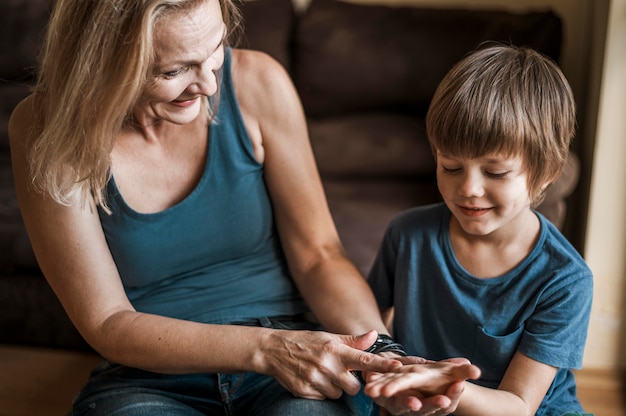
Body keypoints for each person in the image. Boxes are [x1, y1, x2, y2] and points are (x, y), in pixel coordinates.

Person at [8, 0, 479, 414]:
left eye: (215, 48)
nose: (210, 85)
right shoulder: (46, 128)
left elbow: (320, 256)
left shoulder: (256, 82)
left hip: (296, 356)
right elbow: (107, 321)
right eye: (174, 71)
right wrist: (266, 349)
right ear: (103, 58)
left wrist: (383, 359)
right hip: (148, 376)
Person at [364, 44, 593, 416]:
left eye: (496, 172)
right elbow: (366, 322)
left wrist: (446, 384)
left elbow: (520, 405)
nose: (468, 188)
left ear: (546, 173)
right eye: (451, 167)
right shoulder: (407, 234)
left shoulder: (566, 280)